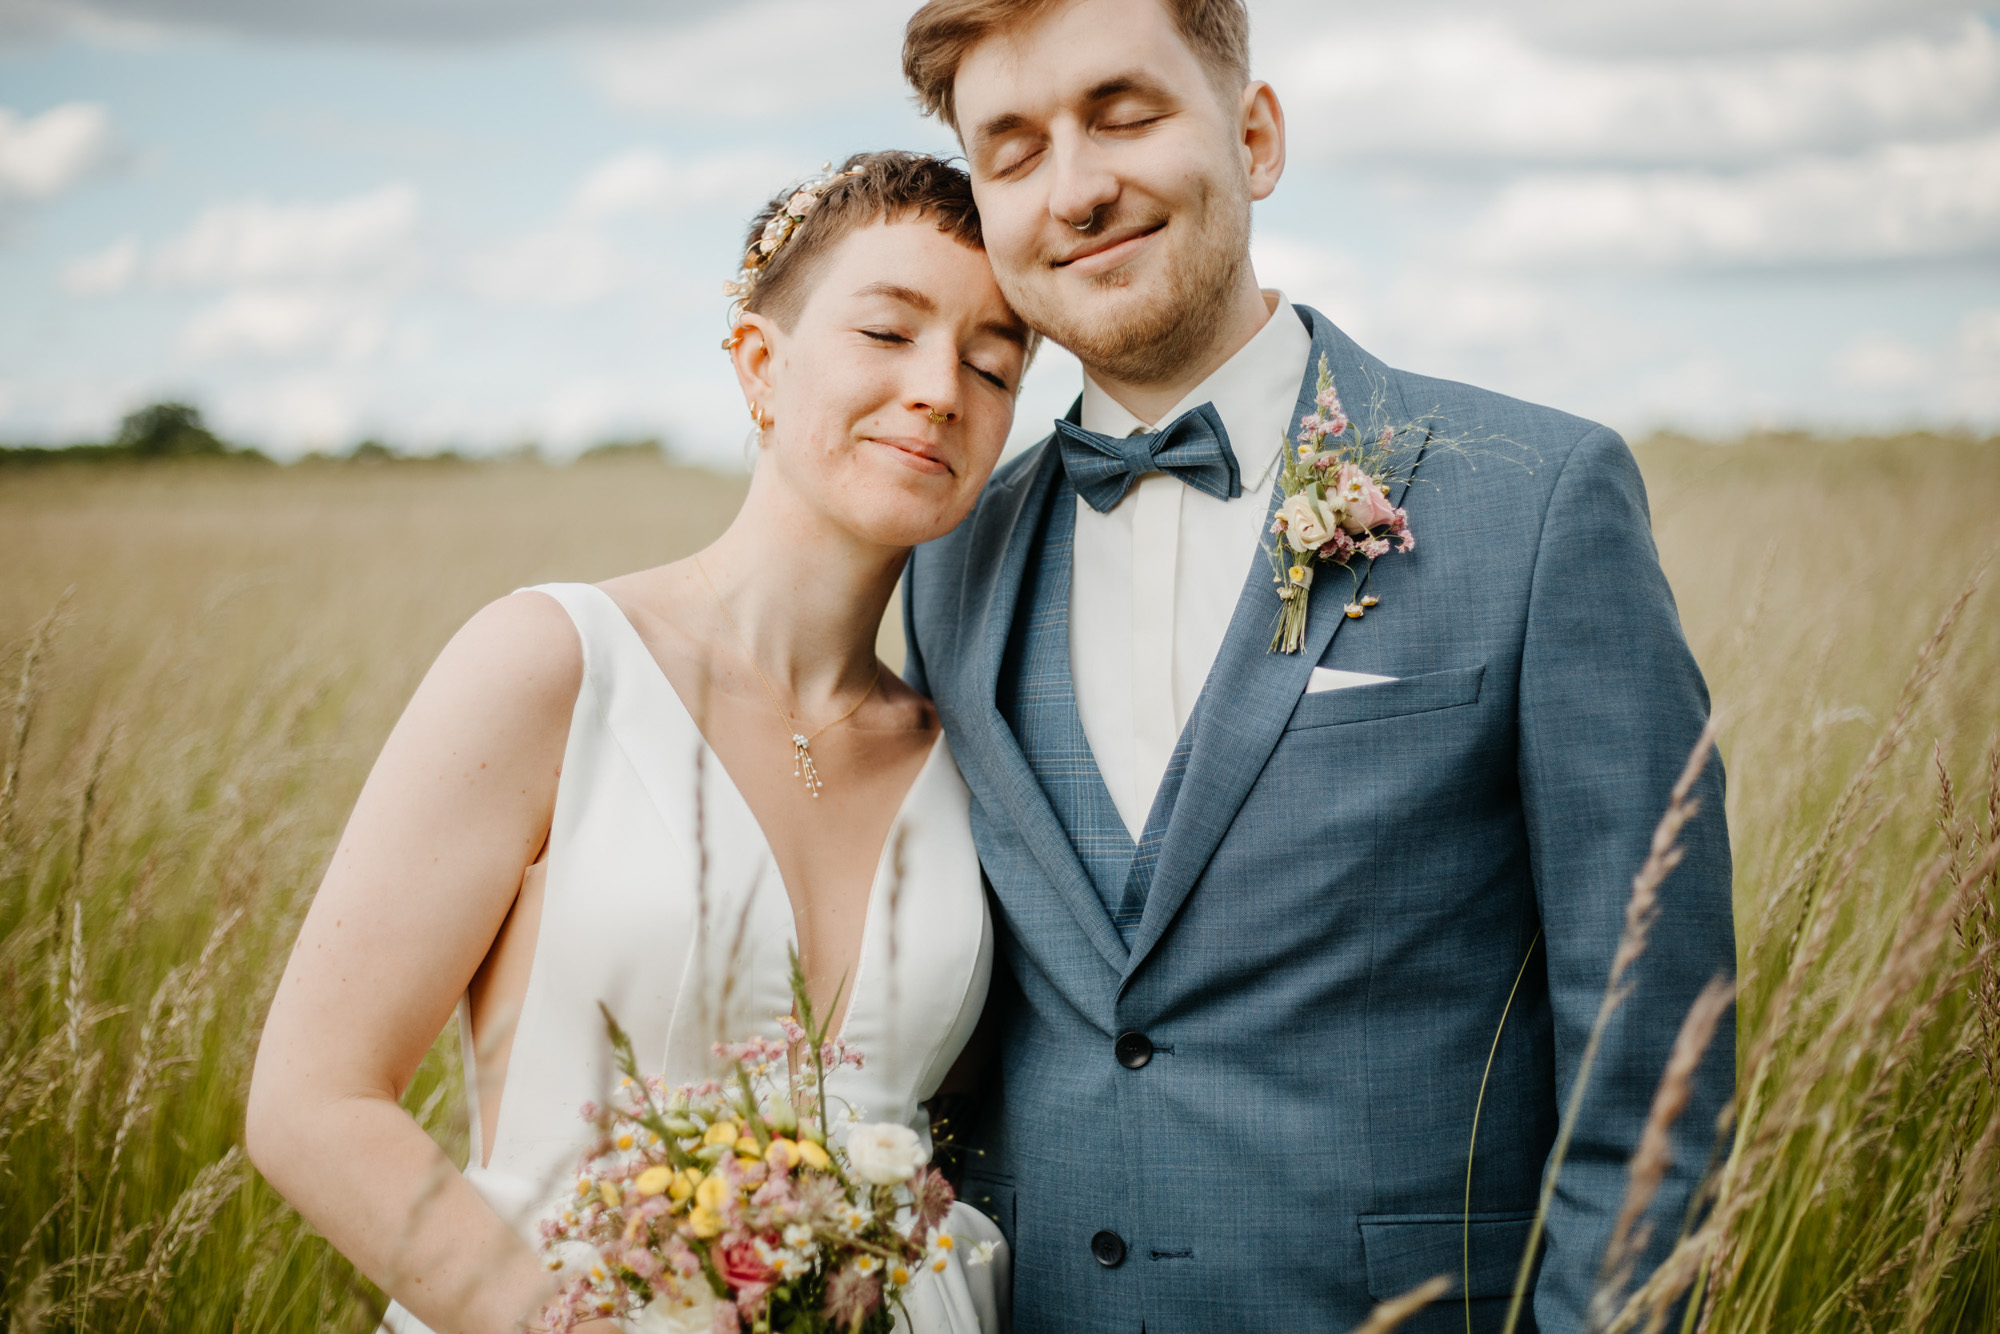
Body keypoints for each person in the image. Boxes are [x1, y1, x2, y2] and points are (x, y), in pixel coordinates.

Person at [895, 2, 1738, 1331]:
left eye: (1126, 113)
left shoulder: (1542, 501)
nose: (1078, 186)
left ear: (1255, 133)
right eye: (1012, 150)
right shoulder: (952, 554)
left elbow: (1656, 1068)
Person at [246, 151, 1029, 1334]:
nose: (938, 390)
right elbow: (312, 1102)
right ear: (759, 365)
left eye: (991, 363)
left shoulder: (967, 758)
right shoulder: (552, 662)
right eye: (886, 332)